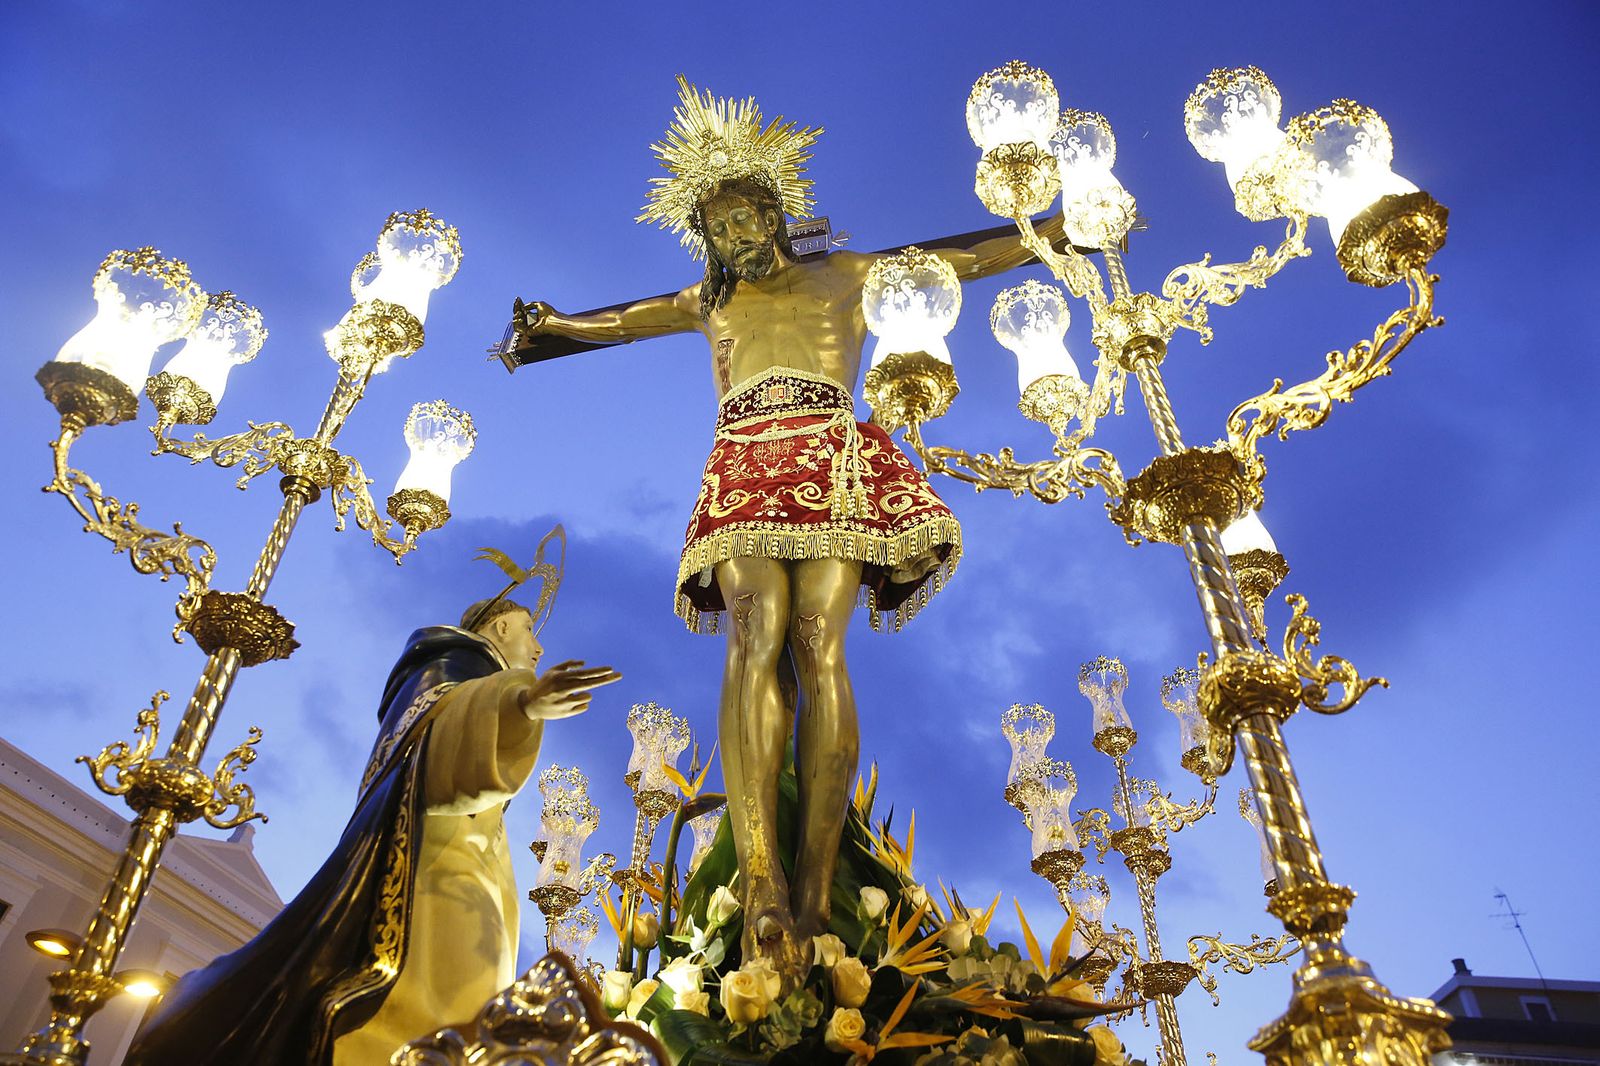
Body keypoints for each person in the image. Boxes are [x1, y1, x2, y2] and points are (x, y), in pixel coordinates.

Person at [517, 77, 1059, 984]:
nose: (735, 237)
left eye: (746, 217)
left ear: (776, 211)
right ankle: (761, 878)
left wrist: (1051, 233)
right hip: (742, 460)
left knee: (819, 645)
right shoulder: (710, 300)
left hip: (830, 450)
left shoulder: (842, 275)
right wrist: (553, 327)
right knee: (753, 634)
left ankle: (814, 887)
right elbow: (619, 321)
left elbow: (956, 256)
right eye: (718, 228)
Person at [126, 594, 620, 1065]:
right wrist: (521, 704)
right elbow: (438, 751)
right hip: (428, 874)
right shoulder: (447, 668)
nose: (537, 647)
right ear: (502, 626)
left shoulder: (466, 678)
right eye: (530, 630)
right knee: (437, 1006)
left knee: (471, 1005)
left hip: (471, 864)